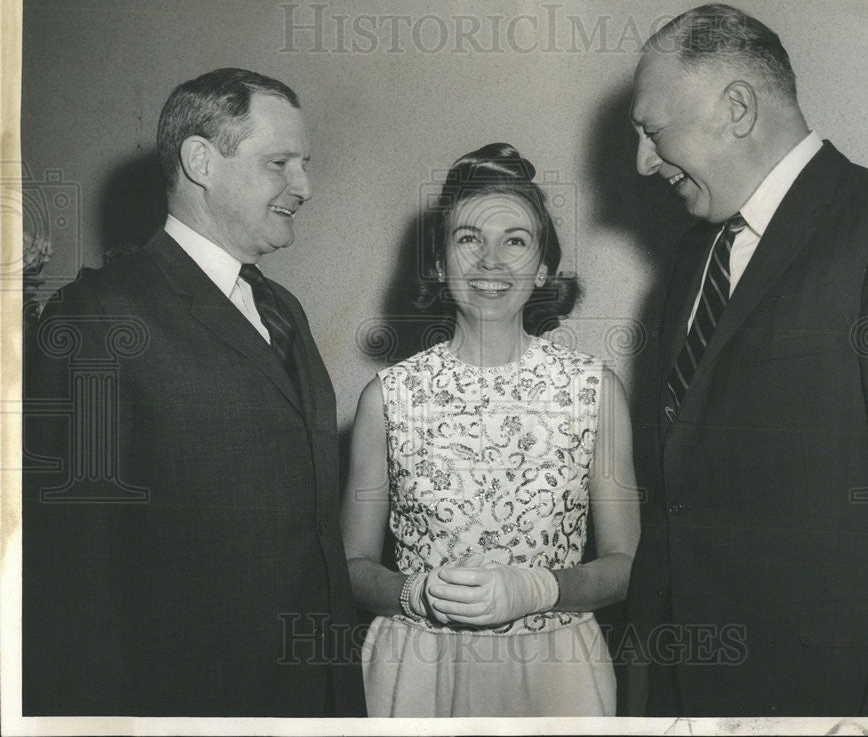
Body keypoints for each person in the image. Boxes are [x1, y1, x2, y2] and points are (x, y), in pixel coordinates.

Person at [624, 3, 868, 717]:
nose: (642, 163)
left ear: (738, 109)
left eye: (653, 132)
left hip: (827, 698)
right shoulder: (694, 256)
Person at [22, 68, 365, 716]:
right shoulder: (96, 318)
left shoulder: (282, 306)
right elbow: (69, 580)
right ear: (201, 160)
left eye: (305, 164)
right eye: (281, 163)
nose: (305, 187)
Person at [341, 143, 641, 717]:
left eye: (516, 241)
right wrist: (413, 594)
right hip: (416, 668)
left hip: (558, 673)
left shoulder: (594, 392)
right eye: (469, 239)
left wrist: (542, 588)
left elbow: (626, 564)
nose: (491, 262)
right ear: (437, 263)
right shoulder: (388, 398)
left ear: (545, 267)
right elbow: (352, 567)